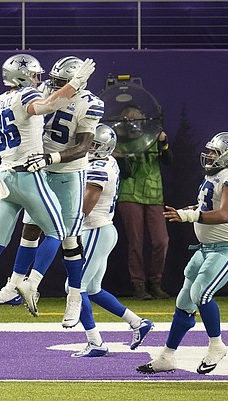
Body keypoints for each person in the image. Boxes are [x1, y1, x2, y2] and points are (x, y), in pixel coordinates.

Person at [0, 53, 96, 328]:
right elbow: (46, 105)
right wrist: (77, 82)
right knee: (58, 232)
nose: (40, 80)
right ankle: (30, 283)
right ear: (23, 77)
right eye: (35, 75)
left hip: (3, 175)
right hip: (30, 174)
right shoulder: (30, 96)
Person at [136, 131, 228, 374]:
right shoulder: (217, 174)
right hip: (206, 249)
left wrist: (188, 216)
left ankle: (217, 345)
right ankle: (168, 356)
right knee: (184, 301)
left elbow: (225, 214)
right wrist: (187, 210)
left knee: (201, 293)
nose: (209, 156)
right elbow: (206, 207)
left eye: (214, 152)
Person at [71, 123, 153, 357]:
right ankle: (138, 323)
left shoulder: (99, 167)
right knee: (93, 289)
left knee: (75, 288)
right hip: (102, 230)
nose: (88, 147)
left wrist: (67, 224)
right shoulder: (107, 162)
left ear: (105, 147)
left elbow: (86, 206)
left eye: (93, 144)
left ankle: (95, 342)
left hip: (95, 229)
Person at [113, 105, 173, 300]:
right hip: (130, 193)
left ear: (144, 119)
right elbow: (126, 172)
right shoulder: (119, 140)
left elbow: (168, 161)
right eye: (128, 119)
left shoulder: (153, 136)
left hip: (154, 193)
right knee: (136, 242)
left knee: (161, 241)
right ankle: (138, 284)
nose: (133, 122)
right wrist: (121, 157)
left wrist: (164, 143)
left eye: (136, 118)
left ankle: (155, 282)